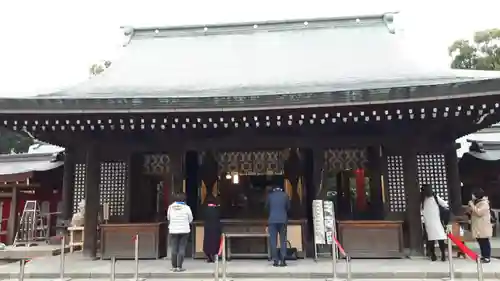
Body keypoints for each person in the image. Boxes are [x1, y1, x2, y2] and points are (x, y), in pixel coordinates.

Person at [420, 184, 448, 261]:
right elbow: (444, 204)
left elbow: (421, 211)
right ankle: (443, 255)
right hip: (437, 220)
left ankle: (433, 255)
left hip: (428, 222)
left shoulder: (422, 199)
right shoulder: (435, 197)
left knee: (430, 239)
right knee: (440, 238)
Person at [167, 192, 193, 272]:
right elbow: (190, 219)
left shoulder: (170, 207)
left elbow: (168, 218)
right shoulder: (187, 208)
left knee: (174, 247)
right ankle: (179, 266)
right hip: (184, 230)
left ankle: (174, 266)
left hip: (173, 230)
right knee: (181, 247)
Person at [266, 185, 290, 267]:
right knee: (283, 240)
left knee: (273, 241)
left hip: (272, 220)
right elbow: (288, 207)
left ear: (274, 189)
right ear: (281, 189)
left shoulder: (270, 196)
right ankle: (283, 260)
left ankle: (275, 260)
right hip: (283, 220)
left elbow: (266, 208)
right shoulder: (285, 195)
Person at [468, 188, 492, 263]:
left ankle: (487, 257)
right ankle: (483, 256)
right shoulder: (477, 202)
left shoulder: (484, 203)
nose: (472, 196)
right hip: (478, 227)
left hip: (483, 227)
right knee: (481, 242)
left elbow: (479, 213)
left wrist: (472, 205)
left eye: (473, 194)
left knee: (485, 242)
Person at [202, 195, 222, 263]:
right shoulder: (217, 209)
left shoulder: (204, 209)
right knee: (215, 241)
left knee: (207, 241)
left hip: (207, 227)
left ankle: (208, 257)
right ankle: (214, 256)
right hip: (216, 227)